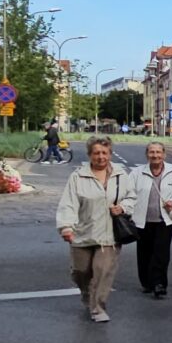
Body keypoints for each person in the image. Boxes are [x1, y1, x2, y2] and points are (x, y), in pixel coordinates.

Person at [55, 136, 130, 323]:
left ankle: (98, 307)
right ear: (90, 155)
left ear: (110, 154)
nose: (101, 157)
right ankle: (86, 293)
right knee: (80, 271)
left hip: (109, 235)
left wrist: (123, 207)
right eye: (96, 153)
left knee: (102, 272)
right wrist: (66, 227)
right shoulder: (78, 177)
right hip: (83, 232)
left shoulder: (121, 175)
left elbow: (132, 197)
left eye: (105, 153)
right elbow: (68, 204)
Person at [121, 142, 172, 298]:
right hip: (142, 219)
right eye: (152, 152)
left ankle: (159, 284)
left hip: (165, 220)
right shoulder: (137, 173)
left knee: (161, 252)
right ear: (147, 155)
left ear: (164, 154)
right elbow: (128, 192)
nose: (155, 155)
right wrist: (126, 209)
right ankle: (146, 282)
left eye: (158, 152)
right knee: (144, 252)